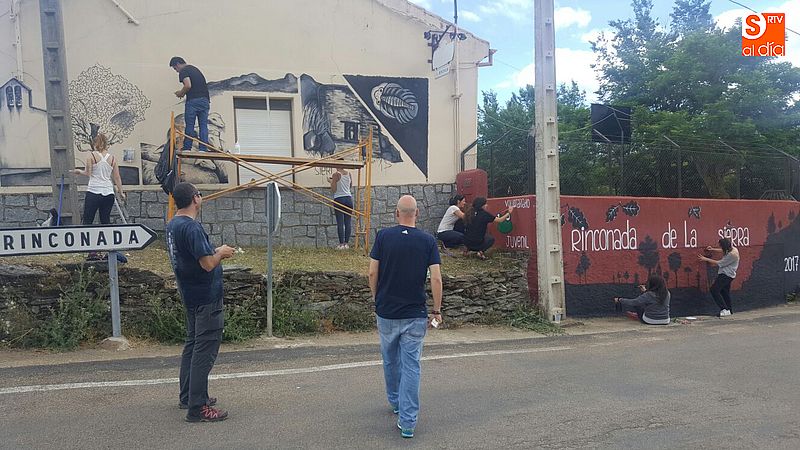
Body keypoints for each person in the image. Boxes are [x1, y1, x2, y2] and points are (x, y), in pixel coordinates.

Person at [368, 195, 443, 439]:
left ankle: (396, 402)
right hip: (415, 314)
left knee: (390, 360)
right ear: (417, 213)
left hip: (387, 311)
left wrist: (376, 297)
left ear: (395, 213)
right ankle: (408, 422)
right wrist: (437, 310)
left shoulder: (383, 237)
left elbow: (372, 272)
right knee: (412, 366)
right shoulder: (428, 241)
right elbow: (436, 278)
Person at [166, 182, 235, 422]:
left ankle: (188, 395)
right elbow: (207, 264)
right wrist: (222, 252)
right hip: (206, 297)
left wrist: (212, 251)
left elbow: (194, 256)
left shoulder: (174, 225)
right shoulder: (192, 228)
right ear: (195, 199)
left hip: (190, 293)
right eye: (199, 194)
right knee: (204, 351)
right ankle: (198, 407)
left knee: (193, 345)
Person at [169, 57, 210, 152]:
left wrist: (181, 93)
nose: (176, 71)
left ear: (178, 64)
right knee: (203, 125)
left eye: (175, 68)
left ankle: (187, 148)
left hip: (193, 101)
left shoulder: (184, 71)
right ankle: (203, 149)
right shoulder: (195, 69)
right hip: (205, 100)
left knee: (190, 125)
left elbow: (188, 85)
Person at [698, 238, 740, 317]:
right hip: (728, 274)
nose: (719, 247)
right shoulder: (732, 249)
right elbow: (722, 250)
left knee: (714, 290)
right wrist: (713, 249)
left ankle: (724, 308)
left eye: (720, 246)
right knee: (724, 292)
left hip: (726, 275)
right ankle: (729, 310)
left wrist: (705, 259)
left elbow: (719, 263)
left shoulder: (732, 255)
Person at [329, 167, 353, 249]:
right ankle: (346, 243)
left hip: (339, 198)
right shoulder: (349, 173)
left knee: (340, 222)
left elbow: (333, 189)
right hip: (349, 198)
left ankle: (341, 244)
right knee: (348, 222)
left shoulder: (336, 174)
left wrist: (331, 181)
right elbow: (350, 186)